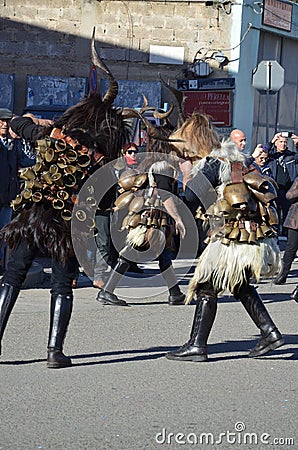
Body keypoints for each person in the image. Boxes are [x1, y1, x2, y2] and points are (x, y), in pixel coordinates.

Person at [0, 33, 131, 368]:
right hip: (68, 227)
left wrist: (28, 122)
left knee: (13, 277)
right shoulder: (101, 160)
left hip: (31, 219)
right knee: (61, 285)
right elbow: (105, 202)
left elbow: (17, 124)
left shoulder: (51, 135)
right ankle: (54, 353)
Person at [165, 112, 283, 362]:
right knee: (238, 285)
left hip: (231, 237)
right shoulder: (238, 158)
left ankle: (197, 345)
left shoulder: (212, 162)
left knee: (206, 286)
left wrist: (186, 174)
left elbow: (189, 199)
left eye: (184, 149)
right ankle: (269, 332)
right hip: (250, 235)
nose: (183, 155)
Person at [96, 124, 186, 307]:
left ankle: (175, 293)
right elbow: (164, 195)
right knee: (132, 252)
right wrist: (178, 219)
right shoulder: (162, 166)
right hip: (151, 219)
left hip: (152, 217)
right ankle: (107, 291)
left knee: (164, 255)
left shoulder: (150, 163)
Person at [0, 108, 36, 274]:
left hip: (8, 198)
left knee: (4, 233)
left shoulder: (13, 144)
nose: (4, 125)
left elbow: (25, 162)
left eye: (7, 122)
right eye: (1, 121)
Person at [266, 132, 298, 234]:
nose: (283, 144)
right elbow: (263, 150)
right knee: (274, 213)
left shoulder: (291, 156)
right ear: (276, 143)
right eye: (280, 142)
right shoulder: (271, 156)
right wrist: (272, 140)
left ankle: (285, 234)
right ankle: (275, 233)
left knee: (287, 213)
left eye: (285, 142)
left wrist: (297, 143)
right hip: (274, 189)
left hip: (288, 190)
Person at [274, 177, 298, 285]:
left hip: (295, 220)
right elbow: (289, 195)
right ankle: (282, 275)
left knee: (290, 249)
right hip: (295, 220)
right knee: (290, 249)